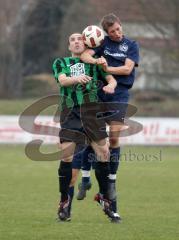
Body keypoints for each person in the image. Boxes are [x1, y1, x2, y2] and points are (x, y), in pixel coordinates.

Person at [76, 13, 140, 222]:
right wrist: (94, 59)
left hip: (119, 94)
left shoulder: (131, 45)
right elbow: (84, 56)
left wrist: (105, 69)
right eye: (112, 31)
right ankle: (86, 178)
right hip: (98, 94)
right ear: (106, 32)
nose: (116, 33)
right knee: (93, 140)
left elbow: (127, 68)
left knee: (114, 139)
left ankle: (110, 178)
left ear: (121, 25)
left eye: (118, 29)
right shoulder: (102, 44)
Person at [52, 33, 117, 222]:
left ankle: (104, 197)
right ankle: (64, 201)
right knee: (67, 157)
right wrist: (76, 78)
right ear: (69, 46)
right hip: (70, 112)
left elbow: (110, 78)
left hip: (92, 111)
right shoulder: (61, 62)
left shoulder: (95, 63)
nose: (76, 41)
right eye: (72, 40)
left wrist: (111, 86)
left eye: (79, 39)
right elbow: (63, 80)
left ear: (86, 42)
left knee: (104, 152)